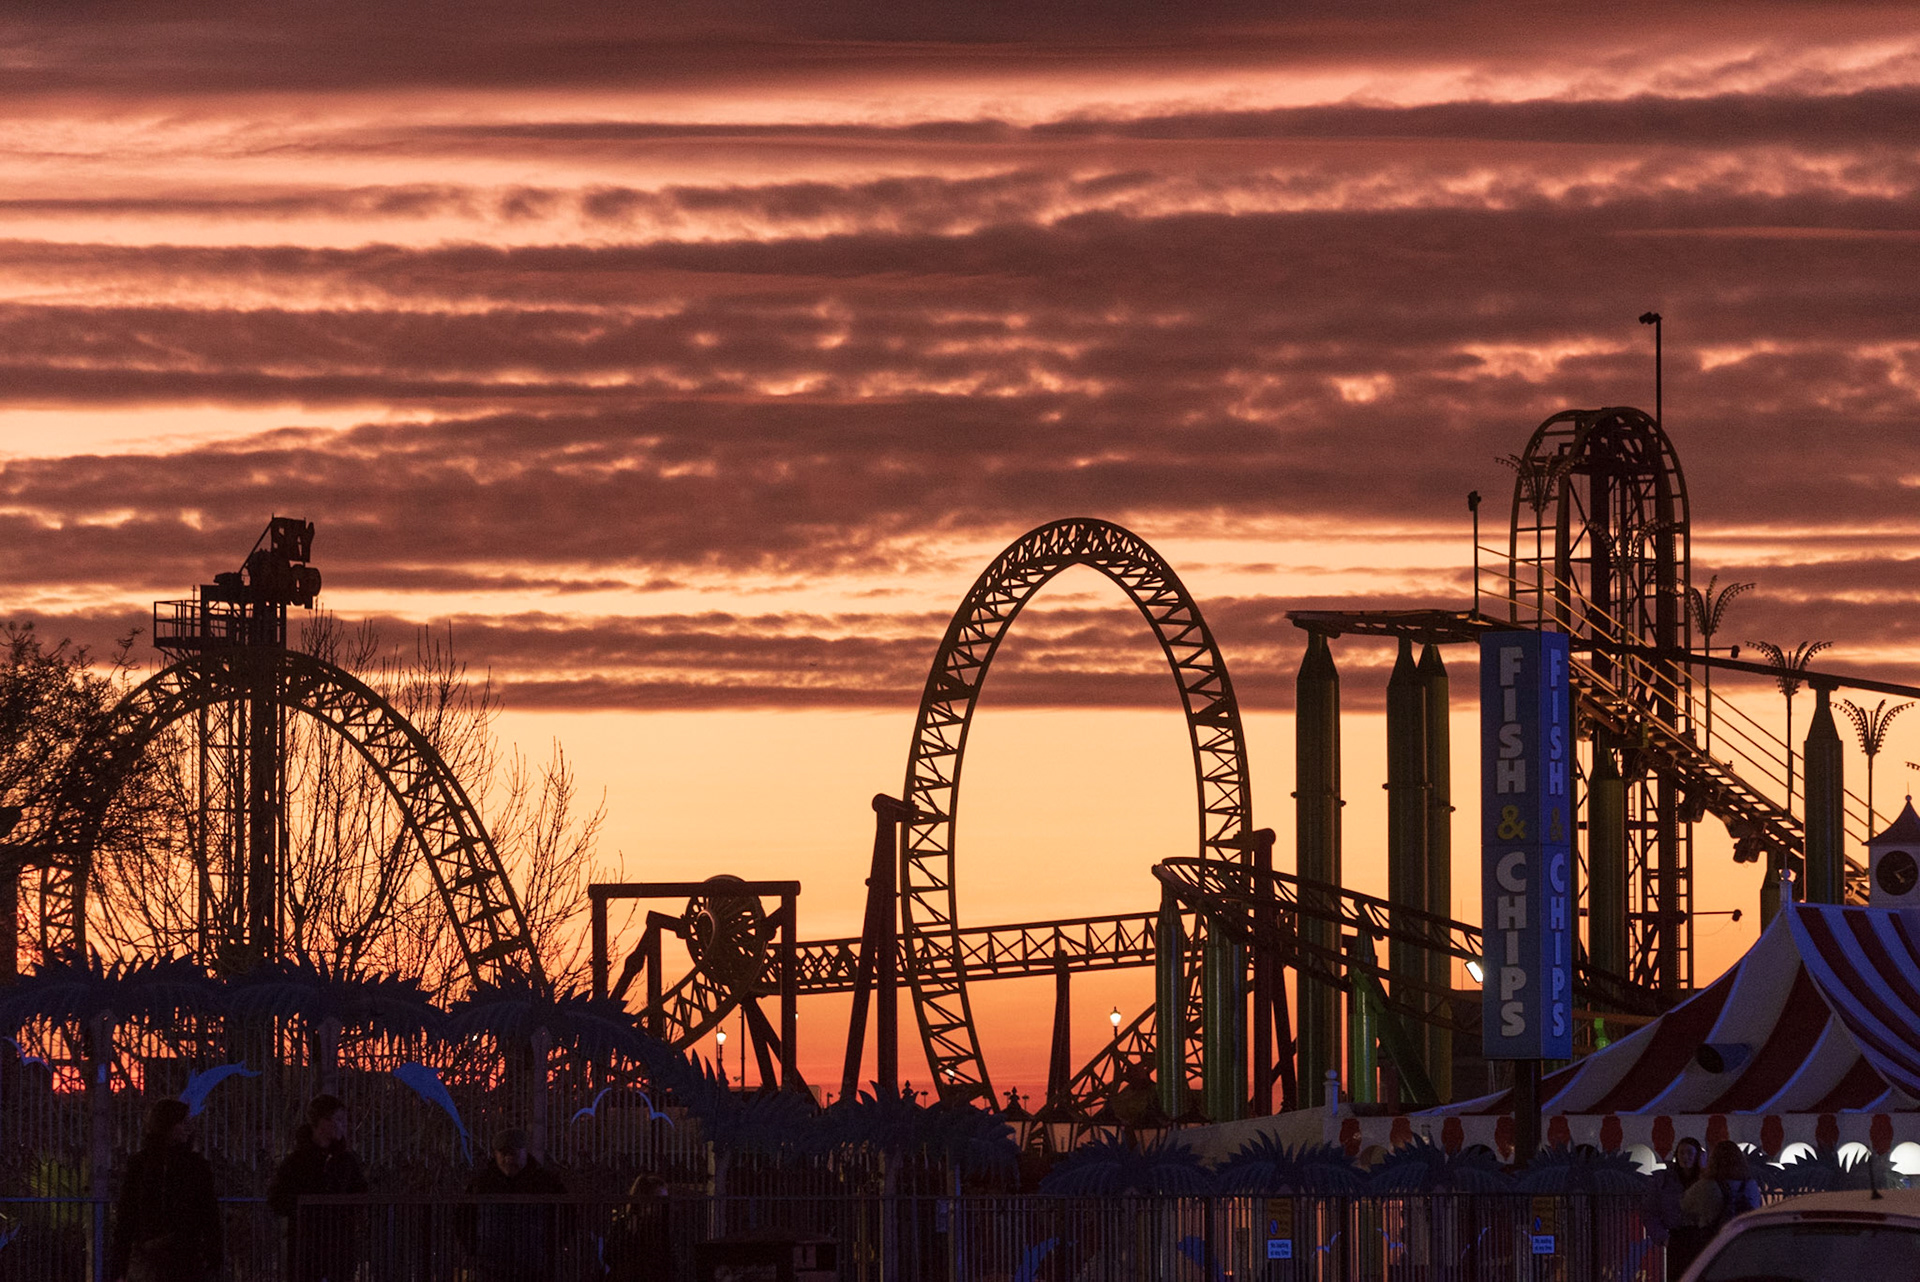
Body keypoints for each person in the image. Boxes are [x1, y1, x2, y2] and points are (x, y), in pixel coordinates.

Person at [109, 1098, 222, 1282]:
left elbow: (208, 1212)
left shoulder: (193, 1165)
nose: (188, 1128)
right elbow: (127, 1214)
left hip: (179, 1253)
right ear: (167, 1125)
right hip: (162, 1253)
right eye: (182, 1123)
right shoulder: (144, 1164)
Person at [268, 1094, 369, 1282]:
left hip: (338, 1249)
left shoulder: (346, 1161)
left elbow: (361, 1194)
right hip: (308, 1249)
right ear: (322, 1122)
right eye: (338, 1120)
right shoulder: (296, 1162)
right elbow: (277, 1199)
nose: (343, 1126)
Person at [460, 1128, 569, 1281]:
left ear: (524, 1151)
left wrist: (550, 1249)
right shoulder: (482, 1183)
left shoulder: (545, 1182)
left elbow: (566, 1217)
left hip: (532, 1265)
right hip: (493, 1265)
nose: (509, 1160)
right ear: (496, 1154)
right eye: (504, 1154)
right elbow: (464, 1219)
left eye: (514, 1153)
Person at [1645, 1137, 1705, 1279]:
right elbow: (1649, 1211)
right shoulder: (1665, 1180)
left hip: (1700, 1236)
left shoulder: (1705, 1180)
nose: (1685, 1157)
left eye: (1690, 1153)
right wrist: (1663, 1237)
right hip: (1677, 1237)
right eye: (1682, 1153)